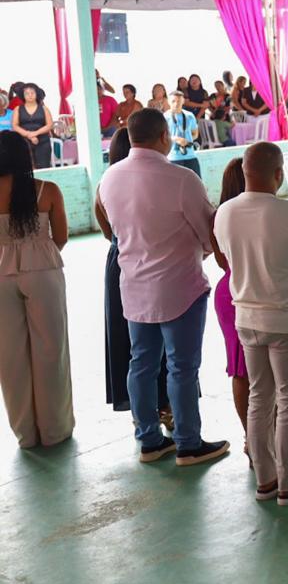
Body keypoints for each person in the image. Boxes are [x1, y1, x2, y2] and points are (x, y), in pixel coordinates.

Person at [97, 108, 229, 466]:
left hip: (133, 286)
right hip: (179, 288)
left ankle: (149, 441)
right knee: (181, 367)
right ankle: (188, 443)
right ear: (163, 137)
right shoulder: (182, 179)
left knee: (141, 364)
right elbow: (209, 235)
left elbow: (113, 230)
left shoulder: (109, 179)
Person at [214, 142, 288, 505]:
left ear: (245, 172)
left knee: (259, 397)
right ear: (278, 174)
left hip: (246, 319)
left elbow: (226, 259)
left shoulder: (224, 213)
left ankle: (265, 479)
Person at [0, 131, 72, 448]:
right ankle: (54, 430)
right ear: (25, 157)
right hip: (43, 271)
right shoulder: (47, 190)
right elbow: (61, 237)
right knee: (51, 349)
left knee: (9, 355)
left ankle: (25, 434)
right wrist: (37, 255)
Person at [97, 132, 170, 423]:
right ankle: (166, 406)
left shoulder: (105, 185)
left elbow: (107, 232)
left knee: (130, 340)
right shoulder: (157, 181)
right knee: (166, 334)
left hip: (120, 260)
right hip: (155, 259)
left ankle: (142, 413)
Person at [211, 159, 250, 448]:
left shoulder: (218, 217)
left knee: (240, 369)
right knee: (271, 369)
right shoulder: (263, 214)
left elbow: (221, 261)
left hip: (228, 291)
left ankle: (251, 436)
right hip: (255, 291)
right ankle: (269, 435)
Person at [13, 85, 53, 170]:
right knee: (25, 168)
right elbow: (15, 126)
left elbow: (50, 125)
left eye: (32, 93)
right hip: (23, 142)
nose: (30, 95)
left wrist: (35, 133)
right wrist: (28, 135)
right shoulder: (18, 109)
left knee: (44, 167)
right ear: (23, 95)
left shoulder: (44, 109)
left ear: (36, 94)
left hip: (43, 142)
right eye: (27, 93)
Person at [165, 90, 201, 176]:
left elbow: (195, 134)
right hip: (173, 157)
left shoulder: (190, 115)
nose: (176, 104)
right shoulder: (165, 117)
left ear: (183, 101)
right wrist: (176, 139)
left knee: (196, 181)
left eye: (179, 101)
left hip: (190, 155)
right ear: (168, 102)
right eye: (173, 101)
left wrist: (187, 141)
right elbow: (162, 137)